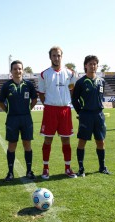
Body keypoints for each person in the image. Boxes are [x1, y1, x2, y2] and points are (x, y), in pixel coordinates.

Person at [38, 46, 78, 179]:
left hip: (65, 110)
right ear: (50, 57)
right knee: (48, 139)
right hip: (50, 110)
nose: (56, 58)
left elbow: (72, 90)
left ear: (62, 56)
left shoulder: (70, 73)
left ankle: (67, 168)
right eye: (54, 55)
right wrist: (49, 105)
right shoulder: (44, 74)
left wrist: (65, 101)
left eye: (58, 55)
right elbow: (42, 94)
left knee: (66, 140)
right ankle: (45, 168)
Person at [72, 55, 111, 177]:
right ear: (85, 66)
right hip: (86, 115)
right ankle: (81, 168)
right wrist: (81, 113)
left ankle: (102, 167)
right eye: (90, 64)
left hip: (99, 115)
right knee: (82, 141)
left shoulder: (101, 81)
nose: (93, 66)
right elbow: (74, 100)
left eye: (95, 64)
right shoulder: (80, 82)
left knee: (100, 141)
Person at [0, 60, 38, 182]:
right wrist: (9, 112)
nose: (17, 71)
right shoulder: (7, 86)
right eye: (15, 69)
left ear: (23, 70)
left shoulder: (28, 85)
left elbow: (35, 99)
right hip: (12, 119)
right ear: (11, 71)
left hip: (26, 118)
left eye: (19, 68)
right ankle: (10, 173)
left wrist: (27, 110)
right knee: (12, 145)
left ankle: (29, 171)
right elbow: (1, 102)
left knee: (27, 144)